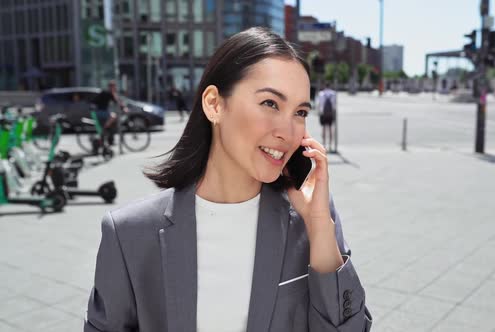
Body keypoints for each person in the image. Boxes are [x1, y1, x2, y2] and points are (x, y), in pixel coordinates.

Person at [84, 27, 372, 332]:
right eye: (270, 103)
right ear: (214, 104)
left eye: (300, 112)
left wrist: (318, 229)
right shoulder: (129, 233)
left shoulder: (314, 218)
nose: (289, 133)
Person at [93, 80, 128, 145]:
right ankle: (105, 128)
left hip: (100, 112)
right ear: (111, 87)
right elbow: (117, 102)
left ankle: (107, 136)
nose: (115, 88)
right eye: (114, 87)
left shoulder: (105, 92)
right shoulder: (108, 93)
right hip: (101, 112)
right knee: (113, 117)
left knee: (112, 121)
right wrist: (124, 108)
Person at [317, 82, 337, 152]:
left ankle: (324, 145)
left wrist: (319, 113)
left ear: (324, 86)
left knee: (324, 129)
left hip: (323, 114)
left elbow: (319, 105)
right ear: (330, 86)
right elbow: (334, 106)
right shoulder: (333, 94)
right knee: (330, 129)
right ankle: (330, 146)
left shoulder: (321, 94)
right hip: (330, 114)